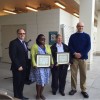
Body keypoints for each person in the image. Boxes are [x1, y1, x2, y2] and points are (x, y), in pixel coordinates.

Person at [68, 22, 91, 98]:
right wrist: (74, 53)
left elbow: (88, 47)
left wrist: (81, 54)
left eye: (82, 26)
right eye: (79, 26)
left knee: (83, 74)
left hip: (83, 58)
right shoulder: (72, 36)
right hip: (74, 59)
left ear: (83, 27)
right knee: (73, 75)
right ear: (77, 27)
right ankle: (73, 89)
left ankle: (83, 90)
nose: (80, 27)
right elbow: (70, 46)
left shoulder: (87, 36)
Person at [30, 34, 53, 100]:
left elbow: (50, 55)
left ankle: (41, 94)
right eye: (41, 39)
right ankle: (37, 94)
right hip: (38, 67)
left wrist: (52, 63)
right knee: (39, 82)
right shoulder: (34, 46)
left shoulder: (47, 46)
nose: (43, 40)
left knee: (44, 81)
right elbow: (32, 56)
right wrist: (34, 64)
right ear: (38, 39)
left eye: (44, 39)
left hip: (46, 67)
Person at [9, 28, 29, 100]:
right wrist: (18, 66)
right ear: (17, 34)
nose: (22, 35)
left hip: (24, 67)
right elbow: (12, 56)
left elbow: (25, 55)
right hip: (17, 67)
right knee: (17, 83)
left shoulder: (24, 43)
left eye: (23, 33)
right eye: (20, 33)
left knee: (21, 82)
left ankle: (20, 96)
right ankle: (16, 97)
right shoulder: (13, 43)